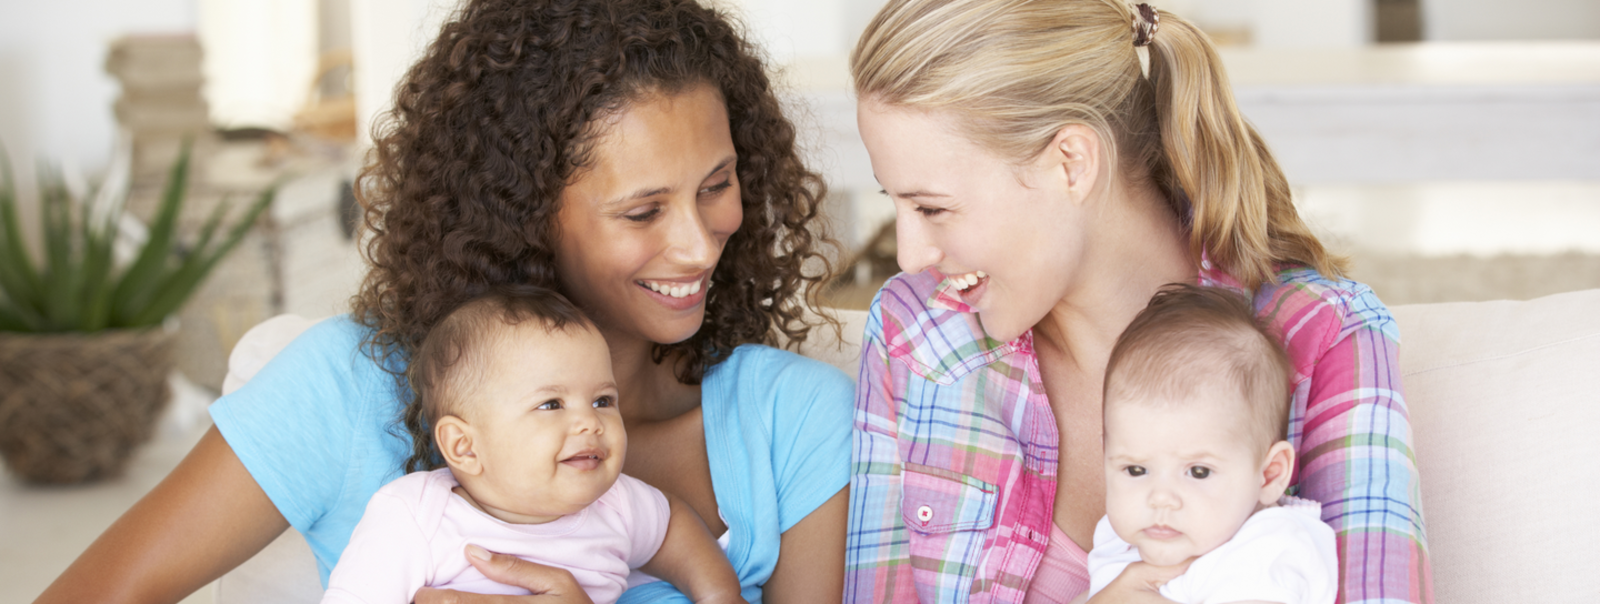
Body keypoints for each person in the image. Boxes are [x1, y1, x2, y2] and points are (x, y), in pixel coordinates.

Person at [35, 1, 853, 602]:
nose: (698, 244)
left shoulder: (795, 419)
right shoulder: (348, 389)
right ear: (522, 210)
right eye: (642, 211)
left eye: (717, 186)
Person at [844, 0, 1432, 602]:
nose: (909, 255)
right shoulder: (914, 330)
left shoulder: (1323, 337)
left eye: (932, 207)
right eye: (894, 202)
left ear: (1071, 162)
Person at [322, 290, 743, 604]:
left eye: (602, 400)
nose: (589, 421)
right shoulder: (415, 516)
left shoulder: (617, 505)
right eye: (551, 404)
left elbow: (672, 530)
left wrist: (721, 597)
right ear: (464, 446)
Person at [1083, 284, 1336, 604]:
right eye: (1135, 469)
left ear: (1269, 474)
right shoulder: (1121, 540)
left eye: (1199, 472)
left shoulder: (1268, 551)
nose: (1161, 498)